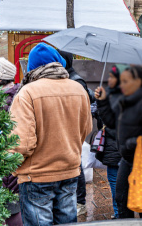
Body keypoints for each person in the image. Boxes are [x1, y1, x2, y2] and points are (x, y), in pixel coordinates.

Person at [10, 43, 91, 226]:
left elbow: (22, 142)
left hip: (37, 175)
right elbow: (85, 129)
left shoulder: (27, 92)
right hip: (69, 170)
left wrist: (9, 165)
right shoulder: (78, 89)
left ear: (32, 67)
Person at [95, 64, 142, 219]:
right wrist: (103, 102)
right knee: (121, 198)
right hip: (128, 158)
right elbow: (112, 122)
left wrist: (134, 142)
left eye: (125, 81)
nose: (122, 84)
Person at [58, 50, 92, 216]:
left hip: (73, 129)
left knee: (76, 164)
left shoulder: (76, 80)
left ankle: (80, 201)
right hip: (66, 127)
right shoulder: (65, 78)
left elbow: (82, 109)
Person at [0, 57, 22, 226]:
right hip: (15, 161)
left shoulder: (2, 101)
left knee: (9, 209)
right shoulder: (22, 94)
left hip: (4, 162)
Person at [95, 67, 123, 217]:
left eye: (112, 77)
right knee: (114, 183)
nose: (109, 80)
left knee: (116, 184)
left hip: (118, 149)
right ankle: (119, 213)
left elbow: (112, 126)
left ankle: (120, 213)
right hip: (115, 150)